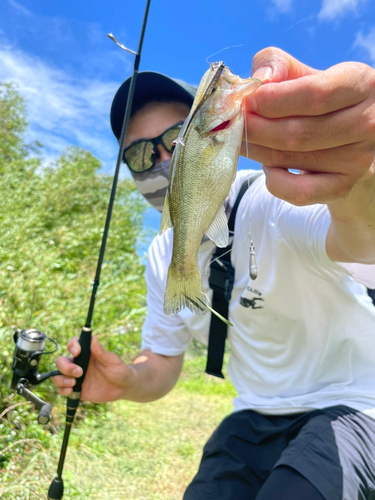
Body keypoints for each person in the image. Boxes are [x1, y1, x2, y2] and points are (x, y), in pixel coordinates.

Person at [52, 47, 375, 499]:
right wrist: (127, 379)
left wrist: (358, 176)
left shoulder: (274, 200)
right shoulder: (164, 255)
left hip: (355, 406)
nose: (163, 158)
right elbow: (162, 360)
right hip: (252, 416)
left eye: (177, 135)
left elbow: (361, 239)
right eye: (141, 155)